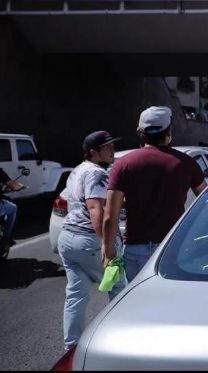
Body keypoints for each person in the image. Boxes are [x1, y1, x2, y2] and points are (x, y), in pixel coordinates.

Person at [102, 106, 207, 281]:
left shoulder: (123, 165)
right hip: (172, 248)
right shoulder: (186, 163)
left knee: (139, 304)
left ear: (140, 132)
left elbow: (109, 216)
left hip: (135, 249)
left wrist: (108, 251)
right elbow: (207, 202)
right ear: (169, 131)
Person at [58, 131, 126, 351]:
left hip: (68, 238)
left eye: (112, 146)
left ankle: (71, 347)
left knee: (76, 295)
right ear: (93, 152)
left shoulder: (76, 171)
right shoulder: (97, 173)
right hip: (89, 240)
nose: (112, 150)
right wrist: (107, 246)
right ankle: (119, 344)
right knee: (119, 290)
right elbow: (96, 209)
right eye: (107, 147)